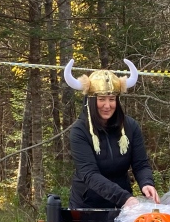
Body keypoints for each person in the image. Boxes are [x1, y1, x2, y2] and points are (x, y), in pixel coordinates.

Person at [64, 59, 159, 209]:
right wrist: (124, 198)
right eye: (101, 99)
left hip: (123, 205)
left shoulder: (130, 126)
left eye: (112, 99)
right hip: (87, 206)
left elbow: (140, 164)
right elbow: (89, 174)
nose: (107, 106)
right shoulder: (79, 131)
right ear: (90, 101)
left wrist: (146, 183)